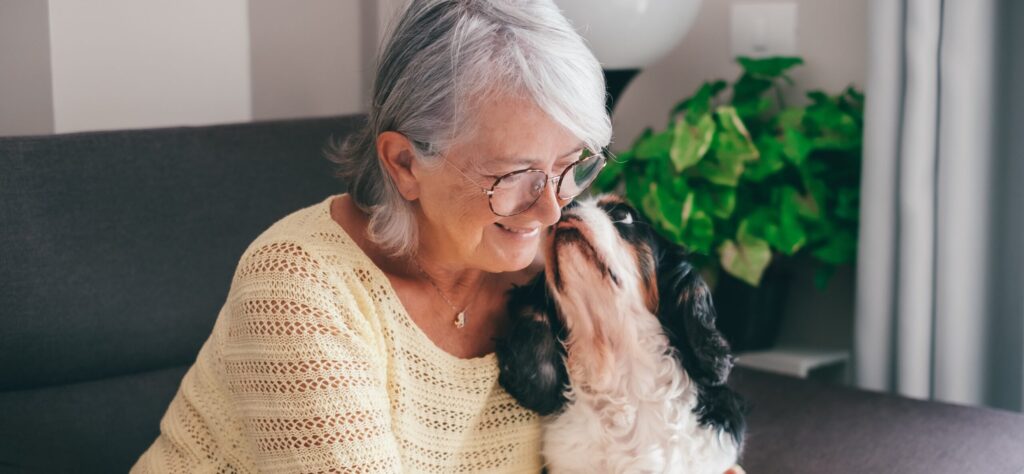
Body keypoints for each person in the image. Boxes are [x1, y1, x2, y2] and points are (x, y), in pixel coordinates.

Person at [132, 0, 609, 472]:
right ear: (404, 164)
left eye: (571, 165)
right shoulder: (297, 289)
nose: (552, 208)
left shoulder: (556, 275)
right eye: (514, 174)